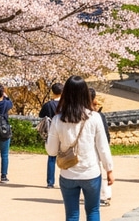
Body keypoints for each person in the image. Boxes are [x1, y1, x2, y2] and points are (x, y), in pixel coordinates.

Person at [46, 76, 113, 221]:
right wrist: (109, 170)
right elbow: (103, 147)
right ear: (85, 93)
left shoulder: (58, 119)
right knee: (93, 211)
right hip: (90, 172)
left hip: (68, 173)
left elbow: (51, 151)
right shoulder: (94, 117)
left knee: (72, 215)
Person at [89, 88, 112, 207]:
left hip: (92, 149)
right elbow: (106, 134)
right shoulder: (98, 115)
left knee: (99, 173)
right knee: (101, 172)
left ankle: (104, 195)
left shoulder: (95, 116)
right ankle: (105, 195)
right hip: (99, 147)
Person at [40, 82, 64, 188]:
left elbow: (41, 115)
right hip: (64, 133)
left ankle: (50, 182)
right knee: (66, 157)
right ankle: (66, 180)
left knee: (51, 157)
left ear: (52, 92)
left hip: (51, 133)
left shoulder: (48, 105)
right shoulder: (67, 104)